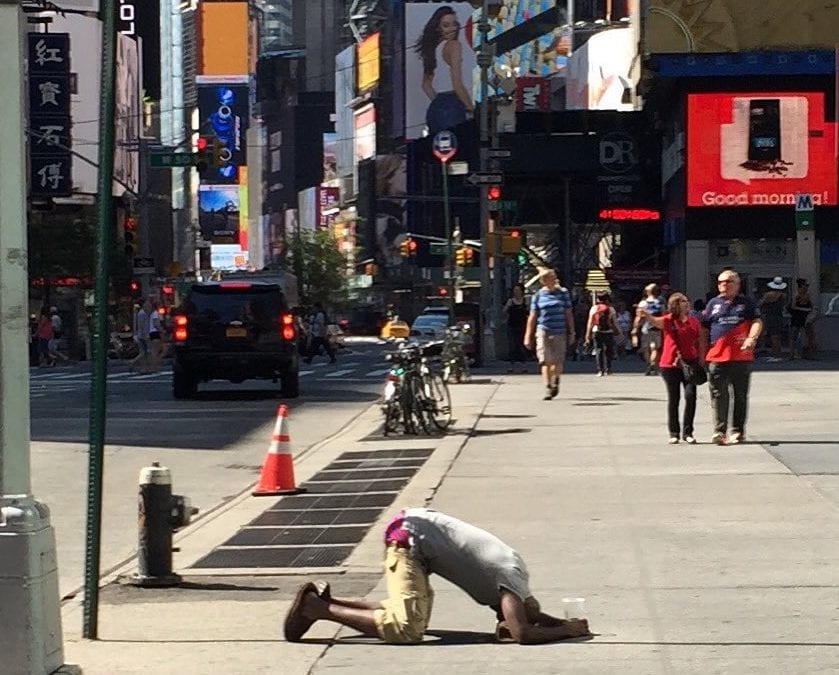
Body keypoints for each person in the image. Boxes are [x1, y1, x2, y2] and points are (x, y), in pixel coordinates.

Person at [283, 507, 591, 645]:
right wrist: (568, 632)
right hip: (409, 540)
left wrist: (562, 623)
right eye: (509, 617)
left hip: (419, 535)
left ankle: (330, 601)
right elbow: (523, 633)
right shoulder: (510, 585)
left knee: (410, 612)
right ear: (516, 607)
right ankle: (315, 608)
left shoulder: (514, 581)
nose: (504, 622)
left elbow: (526, 619)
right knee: (407, 628)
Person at [701, 270, 763, 446]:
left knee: (740, 395)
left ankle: (737, 430)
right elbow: (704, 330)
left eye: (728, 282)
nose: (724, 285)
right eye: (720, 282)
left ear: (737, 284)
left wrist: (752, 338)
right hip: (717, 357)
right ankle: (719, 431)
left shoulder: (747, 303)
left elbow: (757, 321)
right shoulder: (713, 303)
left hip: (741, 357)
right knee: (718, 395)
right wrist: (702, 355)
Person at [642, 292, 702, 444]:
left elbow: (698, 341)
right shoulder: (669, 320)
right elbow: (655, 322)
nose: (686, 303)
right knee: (674, 398)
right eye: (682, 301)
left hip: (690, 363)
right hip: (670, 364)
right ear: (675, 304)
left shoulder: (694, 321)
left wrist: (701, 360)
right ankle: (674, 432)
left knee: (690, 396)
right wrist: (645, 314)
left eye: (687, 301)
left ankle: (688, 432)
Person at [413, 6, 474, 136]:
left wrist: (440, 104)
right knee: (460, 150)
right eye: (446, 25)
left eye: (455, 24)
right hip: (452, 105)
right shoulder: (454, 46)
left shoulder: (433, 49)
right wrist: (470, 108)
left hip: (435, 109)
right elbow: (457, 83)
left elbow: (426, 85)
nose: (452, 28)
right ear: (438, 28)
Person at [523, 268, 575, 400]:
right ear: (544, 280)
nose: (554, 279)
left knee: (557, 360)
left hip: (560, 331)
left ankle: (555, 380)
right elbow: (533, 316)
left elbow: (568, 313)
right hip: (543, 330)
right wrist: (528, 335)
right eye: (551, 277)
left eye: (554, 276)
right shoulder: (538, 296)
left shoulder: (563, 293)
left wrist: (572, 332)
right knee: (545, 360)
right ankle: (547, 387)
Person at [584, 292, 622, 376]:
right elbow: (615, 322)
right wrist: (620, 332)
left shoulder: (594, 308)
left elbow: (590, 322)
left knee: (599, 350)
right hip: (608, 332)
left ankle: (600, 370)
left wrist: (587, 335)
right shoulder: (611, 309)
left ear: (598, 300)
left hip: (597, 331)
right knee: (609, 350)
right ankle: (608, 369)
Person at [632, 283, 664, 375]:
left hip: (646, 328)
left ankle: (649, 364)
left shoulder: (643, 303)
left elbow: (639, 317)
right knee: (655, 348)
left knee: (646, 348)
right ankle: (653, 364)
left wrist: (635, 328)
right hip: (657, 327)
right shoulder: (660, 303)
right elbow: (664, 315)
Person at [758, 277, 787, 361]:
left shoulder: (769, 295)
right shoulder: (783, 296)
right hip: (779, 316)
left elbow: (760, 303)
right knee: (777, 336)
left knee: (773, 336)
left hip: (770, 316)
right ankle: (777, 354)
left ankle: (776, 355)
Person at [502, 283, 528, 373]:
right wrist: (507, 307)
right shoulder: (510, 301)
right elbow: (504, 312)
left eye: (518, 290)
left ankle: (524, 365)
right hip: (512, 325)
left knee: (521, 346)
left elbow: (529, 313)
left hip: (523, 326)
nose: (516, 292)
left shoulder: (525, 301)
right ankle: (511, 365)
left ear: (522, 292)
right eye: (515, 291)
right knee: (512, 346)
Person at [788, 278, 816, 359]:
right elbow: (793, 306)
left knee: (810, 335)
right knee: (794, 335)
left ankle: (811, 354)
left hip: (805, 317)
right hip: (797, 317)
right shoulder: (796, 295)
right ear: (801, 286)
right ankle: (791, 354)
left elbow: (812, 305)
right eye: (805, 286)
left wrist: (812, 310)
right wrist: (804, 309)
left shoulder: (807, 295)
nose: (806, 288)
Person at [132, 299, 151, 374]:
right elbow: (141, 325)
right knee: (144, 353)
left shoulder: (143, 313)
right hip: (143, 335)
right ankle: (133, 363)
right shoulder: (142, 313)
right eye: (146, 303)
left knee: (145, 353)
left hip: (142, 334)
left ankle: (144, 368)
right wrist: (145, 335)